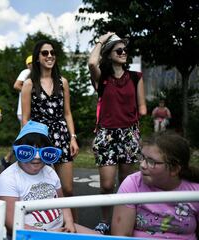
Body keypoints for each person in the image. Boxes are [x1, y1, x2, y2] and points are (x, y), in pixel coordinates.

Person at [0, 120, 99, 236]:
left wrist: (69, 222)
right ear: (18, 151)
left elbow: (61, 201)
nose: (37, 157)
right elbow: (11, 223)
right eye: (28, 151)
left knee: (101, 238)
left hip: (60, 229)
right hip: (28, 235)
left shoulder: (49, 171)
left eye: (44, 151)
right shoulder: (8, 179)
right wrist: (48, 234)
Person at [88, 32, 147, 233]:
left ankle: (124, 221)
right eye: (118, 50)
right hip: (106, 135)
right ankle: (105, 221)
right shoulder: (102, 79)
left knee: (127, 183)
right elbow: (91, 63)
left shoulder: (135, 77)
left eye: (125, 50)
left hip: (129, 134)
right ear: (109, 54)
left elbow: (143, 107)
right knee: (106, 184)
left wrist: (133, 117)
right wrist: (101, 40)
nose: (123, 53)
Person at [21, 40, 79, 221]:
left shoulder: (63, 82)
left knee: (67, 189)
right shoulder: (29, 84)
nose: (50, 56)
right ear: (37, 58)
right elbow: (25, 118)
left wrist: (73, 138)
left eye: (52, 52)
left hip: (61, 136)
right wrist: (30, 144)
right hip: (40, 139)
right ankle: (49, 226)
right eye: (45, 53)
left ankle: (73, 228)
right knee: (44, 188)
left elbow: (67, 113)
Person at [112, 132, 199, 239]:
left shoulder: (195, 192)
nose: (142, 165)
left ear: (174, 169)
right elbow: (121, 236)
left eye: (151, 162)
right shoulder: (133, 184)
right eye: (142, 157)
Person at [1, 55, 33, 169]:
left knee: (25, 137)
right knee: (26, 137)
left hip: (29, 111)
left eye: (33, 62)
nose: (31, 65)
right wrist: (32, 91)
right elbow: (16, 85)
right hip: (24, 111)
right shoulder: (26, 72)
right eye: (30, 63)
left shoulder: (36, 76)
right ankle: (18, 162)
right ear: (27, 64)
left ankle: (8, 158)